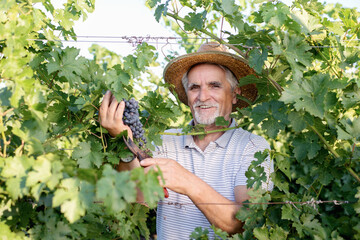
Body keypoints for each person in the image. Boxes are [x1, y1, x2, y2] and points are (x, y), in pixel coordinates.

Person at [99, 42, 274, 239]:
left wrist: (186, 181)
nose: (203, 96)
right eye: (194, 87)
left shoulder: (253, 147)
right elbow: (139, 196)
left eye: (214, 86)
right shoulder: (166, 141)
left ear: (235, 94)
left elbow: (243, 222)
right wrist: (126, 141)